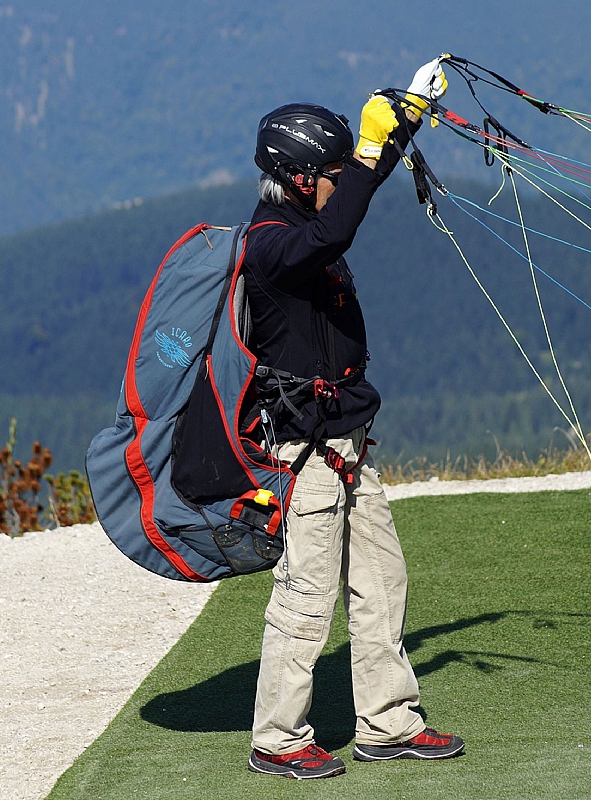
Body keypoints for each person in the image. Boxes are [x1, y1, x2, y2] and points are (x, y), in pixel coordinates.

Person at [242, 57, 464, 780]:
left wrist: (404, 120)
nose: (341, 178)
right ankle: (277, 738)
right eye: (330, 170)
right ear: (299, 178)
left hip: (347, 442)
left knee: (381, 581)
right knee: (306, 598)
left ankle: (388, 723)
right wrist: (370, 152)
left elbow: (347, 202)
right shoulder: (273, 242)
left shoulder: (308, 218)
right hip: (303, 451)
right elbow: (333, 233)